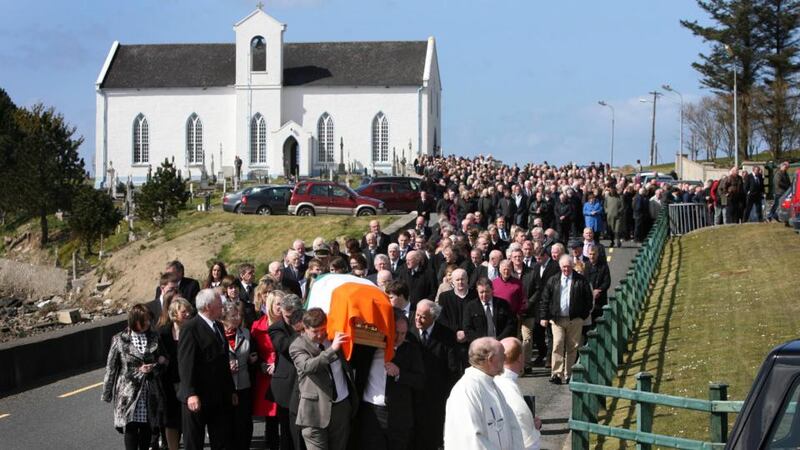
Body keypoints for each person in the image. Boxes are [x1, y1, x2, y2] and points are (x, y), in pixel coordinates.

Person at [289, 308, 358, 450]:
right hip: (314, 413)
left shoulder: (334, 337)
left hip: (341, 408)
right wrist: (332, 349)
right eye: (315, 331)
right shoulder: (297, 346)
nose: (320, 335)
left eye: (323, 329)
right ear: (305, 328)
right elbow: (308, 366)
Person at [357, 310, 425, 450]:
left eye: (403, 334)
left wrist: (400, 373)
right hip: (371, 411)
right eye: (396, 332)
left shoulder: (411, 350)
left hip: (398, 415)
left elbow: (420, 380)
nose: (399, 338)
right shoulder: (371, 347)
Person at [177, 288, 236, 450]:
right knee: (194, 442)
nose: (222, 307)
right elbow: (185, 363)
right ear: (208, 306)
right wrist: (190, 393)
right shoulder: (190, 328)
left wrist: (231, 390)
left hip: (218, 395)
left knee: (222, 440)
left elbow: (223, 361)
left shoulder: (217, 326)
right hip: (197, 396)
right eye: (219, 303)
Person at [102, 304, 167, 450]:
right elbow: (111, 368)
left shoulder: (154, 337)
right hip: (128, 391)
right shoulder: (119, 339)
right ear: (134, 320)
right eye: (144, 320)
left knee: (146, 426)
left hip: (150, 389)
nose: (148, 323)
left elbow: (165, 359)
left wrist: (156, 365)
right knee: (130, 427)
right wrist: (107, 393)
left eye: (149, 320)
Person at [443, 337, 524, 450]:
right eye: (502, 355)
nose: (505, 358)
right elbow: (472, 440)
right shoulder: (466, 391)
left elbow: (512, 425)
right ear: (490, 359)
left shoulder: (491, 384)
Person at [539, 255, 593, 384]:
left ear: (572, 266)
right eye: (564, 267)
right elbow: (545, 299)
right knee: (557, 344)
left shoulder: (581, 280)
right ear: (560, 267)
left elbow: (588, 300)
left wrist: (582, 316)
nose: (566, 269)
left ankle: (569, 374)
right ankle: (556, 373)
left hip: (575, 319)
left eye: (568, 267)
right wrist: (544, 316)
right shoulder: (553, 280)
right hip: (557, 319)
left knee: (572, 347)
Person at [414, 300, 458, 450]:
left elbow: (452, 368)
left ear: (433, 318)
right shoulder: (409, 330)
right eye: (417, 315)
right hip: (412, 391)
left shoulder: (447, 335)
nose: (418, 320)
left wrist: (447, 394)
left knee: (433, 434)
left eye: (423, 317)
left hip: (436, 394)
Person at [268, 294, 305, 450]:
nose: (289, 319)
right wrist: (300, 330)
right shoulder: (276, 328)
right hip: (287, 388)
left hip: (306, 383)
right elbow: (284, 347)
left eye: (293, 315)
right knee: (288, 432)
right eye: (286, 315)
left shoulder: (308, 320)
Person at [156, 297, 194, 450]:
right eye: (183, 312)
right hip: (169, 383)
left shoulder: (193, 330)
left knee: (189, 420)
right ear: (174, 314)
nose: (187, 315)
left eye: (188, 312)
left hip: (188, 382)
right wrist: (160, 359)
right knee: (171, 420)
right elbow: (155, 353)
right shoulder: (163, 333)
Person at [495, 337, 542, 450]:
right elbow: (528, 442)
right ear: (520, 358)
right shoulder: (507, 386)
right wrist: (533, 428)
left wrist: (531, 423)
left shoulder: (496, 378)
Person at [221, 302, 257, 450]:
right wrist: (225, 366)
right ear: (223, 318)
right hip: (224, 386)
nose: (237, 318)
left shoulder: (246, 333)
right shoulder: (217, 334)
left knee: (243, 424)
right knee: (226, 424)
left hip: (243, 384)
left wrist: (252, 359)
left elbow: (252, 353)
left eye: (238, 315)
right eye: (233, 315)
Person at [250, 290, 280, 450]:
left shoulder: (288, 325)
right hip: (265, 373)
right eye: (278, 304)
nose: (281, 308)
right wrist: (261, 364)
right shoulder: (257, 326)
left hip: (283, 371)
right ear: (270, 306)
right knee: (270, 416)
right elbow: (253, 350)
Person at [463, 278, 517, 343]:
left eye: (487, 291)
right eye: (481, 292)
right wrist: (481, 341)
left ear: (492, 290)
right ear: (477, 291)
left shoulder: (503, 304)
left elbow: (510, 324)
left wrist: (499, 339)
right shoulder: (470, 307)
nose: (484, 295)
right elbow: (467, 329)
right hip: (480, 345)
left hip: (501, 342)